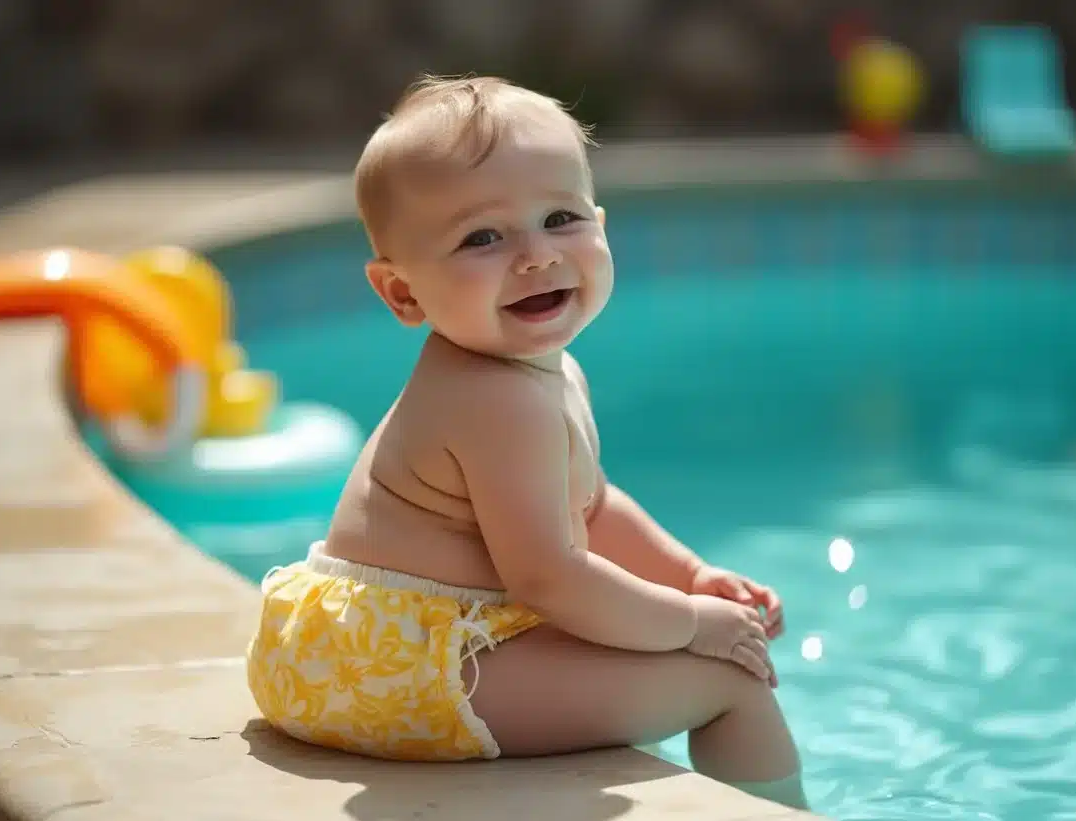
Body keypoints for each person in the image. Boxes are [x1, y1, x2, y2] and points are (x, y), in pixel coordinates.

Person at [245, 74, 809, 810]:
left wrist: (689, 574)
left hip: (387, 649)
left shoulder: (539, 371)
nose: (536, 255)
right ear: (402, 293)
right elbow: (550, 578)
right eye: (483, 236)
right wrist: (693, 623)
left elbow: (592, 504)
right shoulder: (500, 400)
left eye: (561, 217)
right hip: (401, 670)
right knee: (730, 683)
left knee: (646, 653)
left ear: (601, 224)